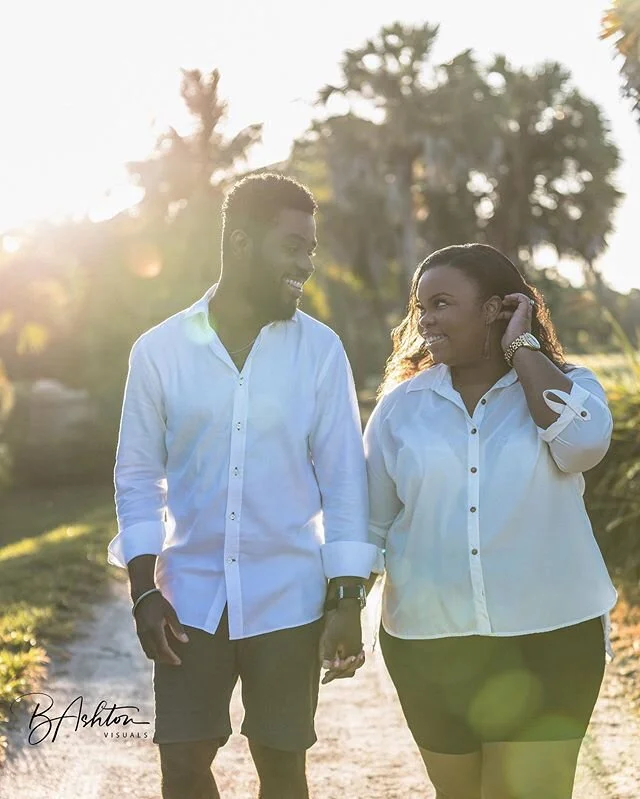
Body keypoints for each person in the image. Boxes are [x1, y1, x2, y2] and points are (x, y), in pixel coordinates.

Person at [107, 173, 378, 799]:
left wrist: (346, 599)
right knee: (182, 763)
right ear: (241, 242)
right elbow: (137, 475)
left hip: (289, 598)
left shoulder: (320, 351)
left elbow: (343, 482)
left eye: (311, 250)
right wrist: (144, 591)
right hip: (187, 600)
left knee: (283, 768)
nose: (305, 266)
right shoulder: (160, 351)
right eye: (292, 247)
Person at [363, 243, 616, 799]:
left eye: (443, 303)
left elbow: (582, 446)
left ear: (496, 309)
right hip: (431, 642)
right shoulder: (402, 408)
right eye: (421, 306)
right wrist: (342, 607)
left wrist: (522, 346)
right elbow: (372, 524)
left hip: (550, 635)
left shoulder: (570, 388)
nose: (425, 319)